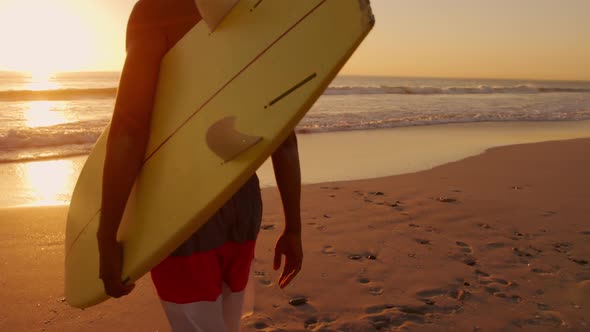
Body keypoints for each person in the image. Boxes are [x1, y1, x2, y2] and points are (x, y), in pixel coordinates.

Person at [96, 0, 303, 331]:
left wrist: (106, 237)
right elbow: (284, 133)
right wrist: (293, 227)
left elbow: (129, 129)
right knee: (226, 323)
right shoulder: (258, 10)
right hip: (242, 199)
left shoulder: (157, 9)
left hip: (180, 209)